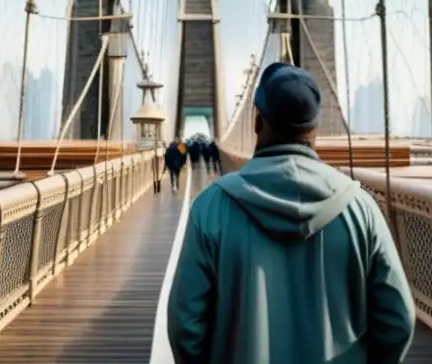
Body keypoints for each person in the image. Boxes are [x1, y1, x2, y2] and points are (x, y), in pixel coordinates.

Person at [167, 62, 415, 363]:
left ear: (258, 122)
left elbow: (185, 325)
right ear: (315, 129)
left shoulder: (210, 207)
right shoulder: (361, 208)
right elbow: (398, 319)